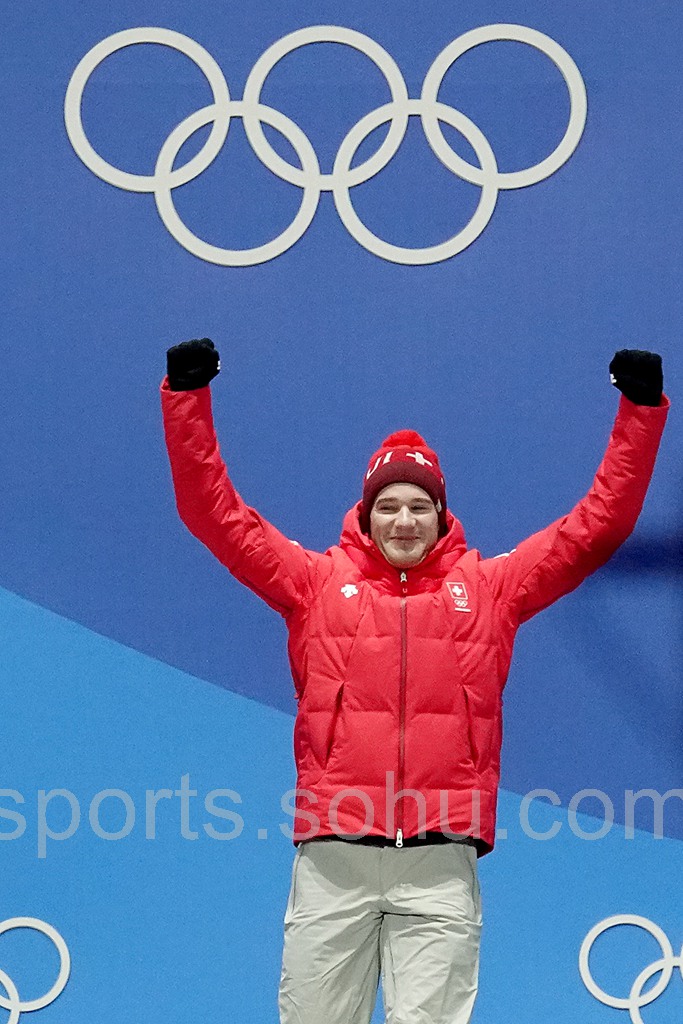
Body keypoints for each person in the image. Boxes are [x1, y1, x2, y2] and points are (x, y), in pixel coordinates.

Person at [160, 343, 668, 1024]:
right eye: (389, 506)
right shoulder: (313, 585)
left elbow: (595, 528)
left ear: (441, 514)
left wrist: (638, 413)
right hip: (334, 859)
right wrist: (187, 398)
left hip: (438, 867)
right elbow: (212, 514)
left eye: (418, 506)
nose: (403, 520)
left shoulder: (491, 590)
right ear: (366, 514)